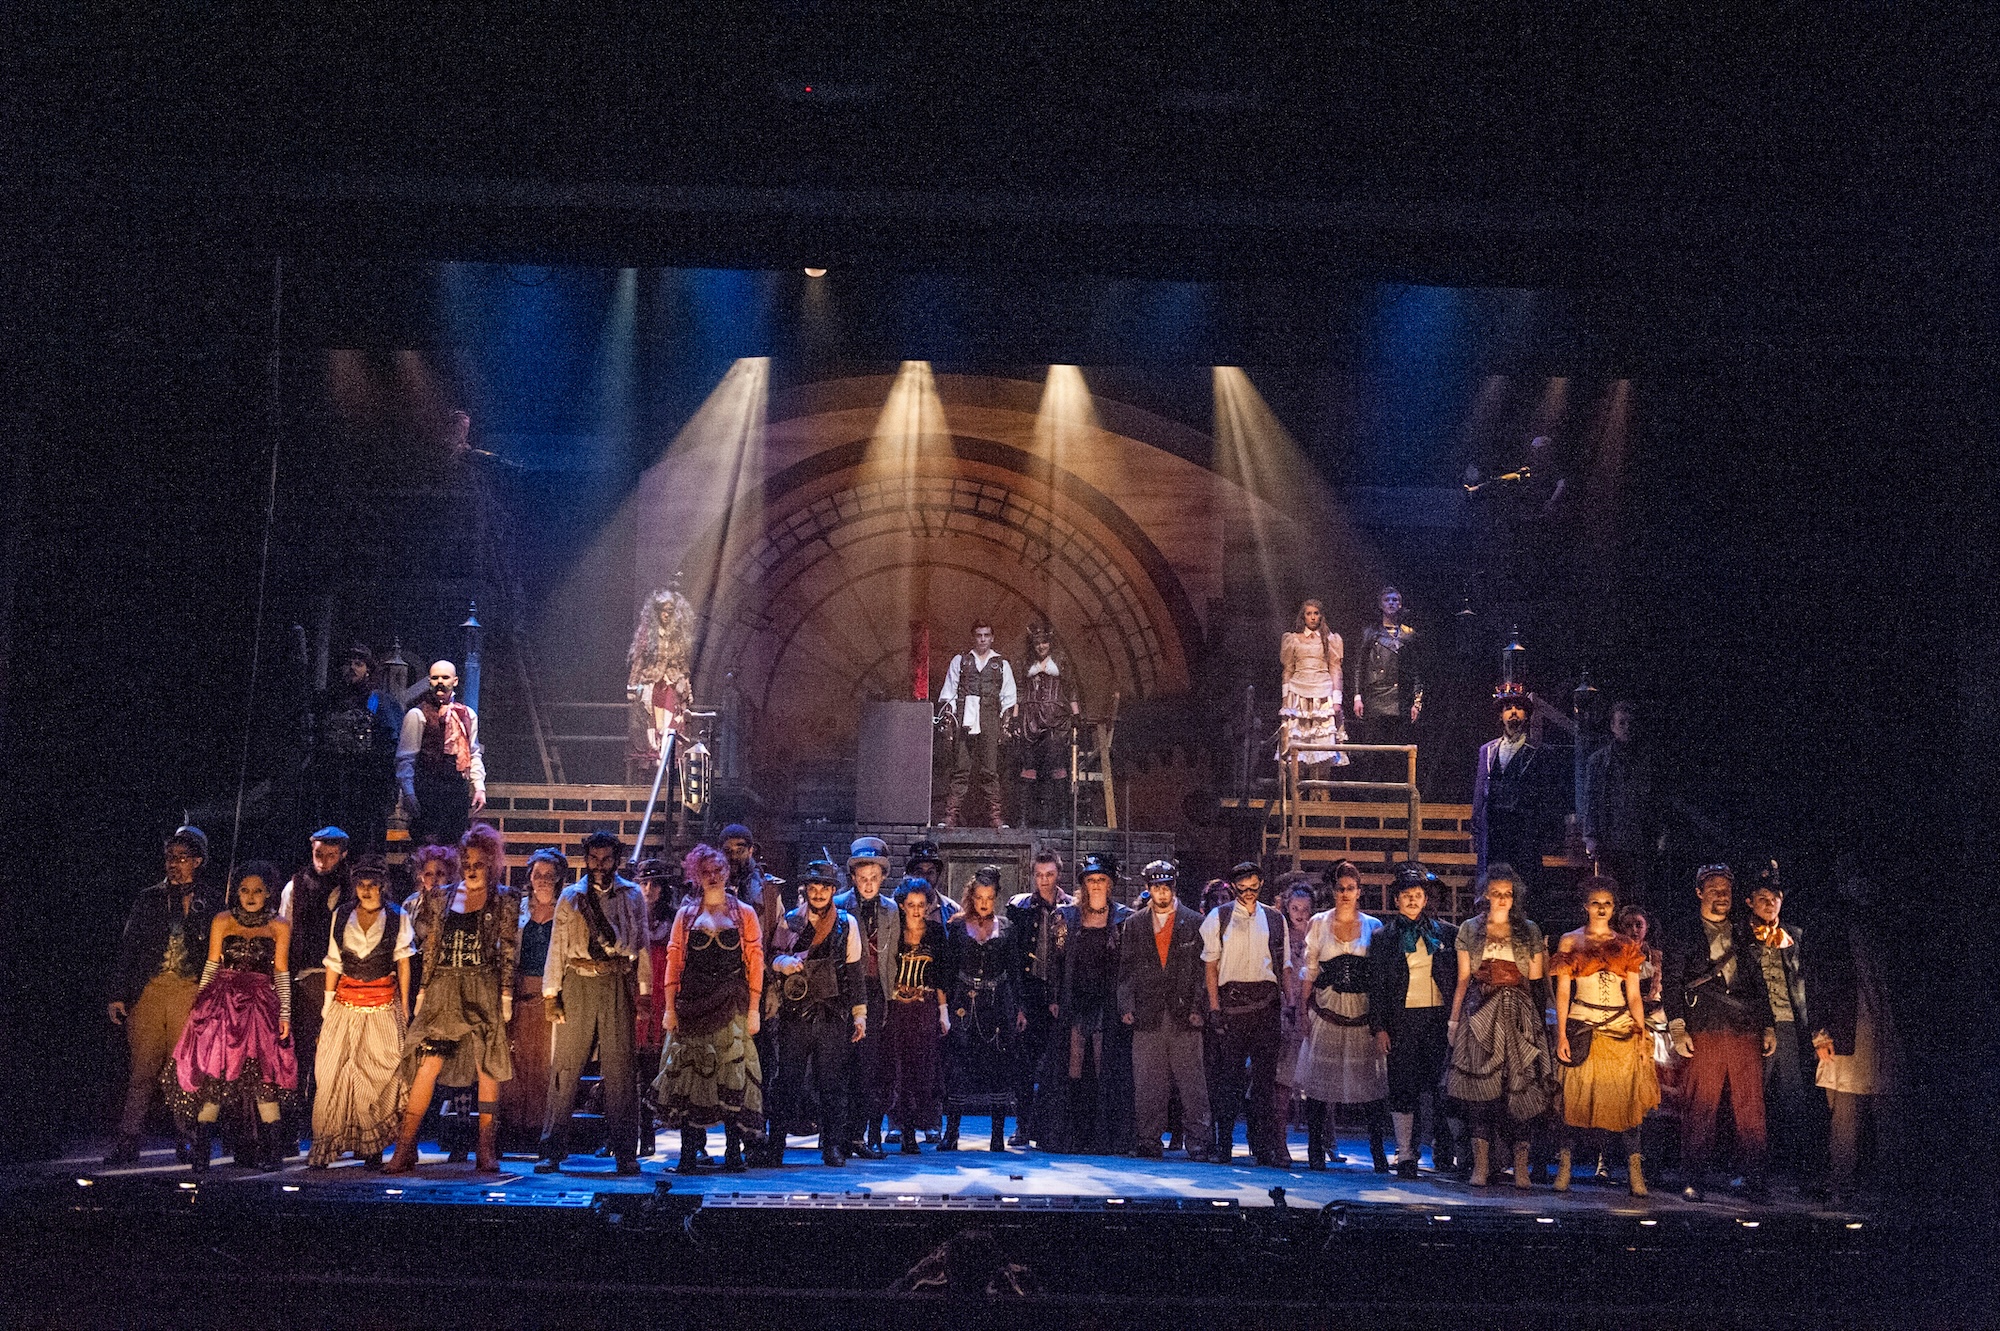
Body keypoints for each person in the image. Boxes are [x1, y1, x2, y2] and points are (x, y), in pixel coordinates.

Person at [386, 824, 521, 1174]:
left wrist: (506, 992)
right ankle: (405, 1146)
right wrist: (424, 990)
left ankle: (486, 1147)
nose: (472, 868)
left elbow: (508, 948)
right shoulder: (442, 896)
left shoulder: (504, 897)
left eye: (480, 862)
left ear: (492, 863)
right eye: (467, 861)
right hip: (445, 987)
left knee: (486, 1066)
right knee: (428, 1064)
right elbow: (431, 948)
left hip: (482, 986)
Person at [168, 862, 297, 1172]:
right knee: (215, 1076)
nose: (249, 896)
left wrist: (285, 1013)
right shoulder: (223, 920)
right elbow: (212, 964)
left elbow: (280, 971)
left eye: (257, 891)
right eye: (243, 890)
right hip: (223, 1003)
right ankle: (201, 1156)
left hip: (258, 1005)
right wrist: (199, 1004)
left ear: (268, 893)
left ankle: (273, 1154)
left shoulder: (279, 925)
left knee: (262, 1076)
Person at [537, 831, 651, 1175]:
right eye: (593, 858)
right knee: (566, 1070)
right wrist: (550, 995)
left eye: (606, 859)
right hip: (578, 982)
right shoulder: (571, 897)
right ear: (585, 859)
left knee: (620, 1071)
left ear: (616, 859)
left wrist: (644, 993)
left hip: (616, 981)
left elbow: (642, 944)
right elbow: (556, 947)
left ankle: (625, 1152)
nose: (599, 865)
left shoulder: (632, 896)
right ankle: (552, 1150)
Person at [1662, 864, 1777, 1202]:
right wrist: (1678, 1026)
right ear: (1699, 892)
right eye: (1714, 889)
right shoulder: (1685, 933)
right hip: (1705, 1027)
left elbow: (1758, 984)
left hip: (1743, 1029)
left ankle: (1755, 1180)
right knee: (1700, 1106)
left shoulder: (1743, 934)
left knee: (1751, 1109)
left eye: (1726, 890)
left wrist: (1767, 1024)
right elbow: (1671, 983)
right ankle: (1693, 1178)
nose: (1722, 895)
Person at [106, 826, 217, 1165]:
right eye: (170, 858)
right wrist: (119, 993)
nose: (175, 864)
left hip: (188, 991)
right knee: (143, 1069)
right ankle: (128, 1140)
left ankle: (188, 1139)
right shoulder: (149, 898)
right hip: (151, 990)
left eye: (183, 858)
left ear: (197, 861)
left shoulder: (210, 900)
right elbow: (129, 948)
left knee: (183, 1071)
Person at [653, 843, 765, 1174]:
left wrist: (755, 1008)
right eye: (706, 873)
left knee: (732, 1075)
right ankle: (689, 1155)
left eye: (718, 871)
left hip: (731, 1004)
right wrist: (670, 1008)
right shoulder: (685, 917)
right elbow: (674, 965)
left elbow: (755, 963)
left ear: (727, 873)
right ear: (697, 876)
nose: (714, 877)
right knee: (689, 1079)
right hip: (693, 1006)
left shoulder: (744, 914)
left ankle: (733, 1152)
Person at [1549, 876, 1659, 1196]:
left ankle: (1635, 1172)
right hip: (1583, 1023)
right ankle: (1566, 1167)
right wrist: (1561, 1036)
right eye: (1596, 903)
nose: (1601, 908)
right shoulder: (1570, 941)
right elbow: (1562, 992)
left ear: (1614, 907)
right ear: (1585, 905)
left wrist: (1641, 1033)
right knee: (1573, 1102)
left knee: (1627, 1104)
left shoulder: (1626, 944)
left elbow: (1635, 995)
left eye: (1607, 903)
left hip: (1620, 1026)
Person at [1446, 864, 1553, 1188]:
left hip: (1519, 1012)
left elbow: (1534, 978)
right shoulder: (1469, 929)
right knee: (1480, 1090)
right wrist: (1453, 1020)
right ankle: (1480, 1167)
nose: (1502, 899)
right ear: (1485, 895)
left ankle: (1520, 1168)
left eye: (1508, 894)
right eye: (1496, 894)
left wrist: (1541, 953)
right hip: (1481, 1012)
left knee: (1520, 1089)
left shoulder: (1528, 929)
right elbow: (1464, 978)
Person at [308, 854, 413, 1168]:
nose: (367, 890)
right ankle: (329, 1143)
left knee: (376, 1074)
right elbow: (333, 962)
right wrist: (327, 1007)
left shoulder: (397, 917)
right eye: (361, 884)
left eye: (373, 884)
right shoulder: (341, 915)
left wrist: (404, 1006)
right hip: (345, 1004)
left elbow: (403, 963)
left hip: (382, 1004)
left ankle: (372, 1146)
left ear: (383, 886)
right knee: (333, 1074)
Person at [1809, 857, 1903, 1204]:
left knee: (1888, 1111)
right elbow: (1816, 981)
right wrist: (1820, 1033)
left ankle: (1891, 1189)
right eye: (1854, 881)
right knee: (1845, 1113)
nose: (1862, 889)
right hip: (1847, 1030)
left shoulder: (1884, 927)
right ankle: (1840, 1186)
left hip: (1883, 1030)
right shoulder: (1831, 926)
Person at [767, 859, 867, 1167]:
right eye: (814, 887)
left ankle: (832, 1146)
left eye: (825, 887)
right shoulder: (792, 921)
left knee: (831, 1083)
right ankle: (775, 1145)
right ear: (806, 890)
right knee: (788, 1081)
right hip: (796, 1013)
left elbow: (855, 972)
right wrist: (781, 962)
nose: (819, 893)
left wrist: (859, 1014)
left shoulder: (846, 923)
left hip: (832, 1014)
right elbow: (772, 956)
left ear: (833, 890)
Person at [1295, 862, 1391, 1172]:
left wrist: (1381, 1022)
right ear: (1333, 892)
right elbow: (1309, 970)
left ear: (1359, 891)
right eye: (1340, 888)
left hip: (1362, 1010)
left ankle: (1378, 1153)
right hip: (1327, 1007)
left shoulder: (1373, 926)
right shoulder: (1319, 923)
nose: (1345, 893)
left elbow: (1378, 977)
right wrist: (1301, 1010)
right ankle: (1315, 1151)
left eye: (1351, 888)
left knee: (1371, 1086)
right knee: (1320, 1086)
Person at [1369, 862, 1460, 1179]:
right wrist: (1379, 1027)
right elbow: (1377, 985)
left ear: (1425, 899)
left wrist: (1455, 1020)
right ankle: (1406, 1153)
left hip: (1437, 1019)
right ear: (1396, 900)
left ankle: (1444, 1150)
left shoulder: (1446, 934)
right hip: (1403, 1020)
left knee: (1440, 1089)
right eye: (1406, 895)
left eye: (1417, 895)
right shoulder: (1384, 937)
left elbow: (1456, 980)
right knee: (1403, 1086)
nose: (1412, 900)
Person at [1201, 860, 1294, 1167]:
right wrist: (1214, 1007)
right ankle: (1223, 1144)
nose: (1249, 892)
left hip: (1266, 1006)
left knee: (1265, 1082)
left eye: (1254, 886)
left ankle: (1263, 1147)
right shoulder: (1220, 917)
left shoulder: (1274, 917)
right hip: (1232, 1005)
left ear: (1261, 885)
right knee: (1229, 1080)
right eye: (1243, 887)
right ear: (1235, 886)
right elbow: (1211, 965)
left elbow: (1285, 965)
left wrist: (1290, 1003)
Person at [1119, 860, 1212, 1160]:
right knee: (1148, 1082)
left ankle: (1198, 1141)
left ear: (1174, 888)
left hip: (1184, 1012)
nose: (1162, 892)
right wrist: (1126, 1004)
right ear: (1148, 889)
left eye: (1167, 887)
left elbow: (1202, 970)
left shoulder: (1195, 922)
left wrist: (1201, 1007)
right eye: (1156, 887)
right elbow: (1126, 970)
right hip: (1148, 1012)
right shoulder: (1134, 924)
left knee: (1192, 1082)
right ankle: (1149, 1140)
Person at [1041, 855, 1133, 1154]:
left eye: (1102, 880)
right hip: (1074, 1002)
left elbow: (1131, 968)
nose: (1096, 885)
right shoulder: (1065, 917)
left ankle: (1102, 1138)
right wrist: (1054, 997)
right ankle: (1072, 1136)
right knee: (1073, 1069)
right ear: (1083, 884)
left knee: (1104, 1068)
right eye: (1091, 880)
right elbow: (1054, 962)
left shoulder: (1124, 918)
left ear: (1110, 885)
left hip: (1108, 1004)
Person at [278, 825, 351, 1154]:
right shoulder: (296, 885)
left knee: (338, 1060)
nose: (323, 861)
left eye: (331, 855)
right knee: (302, 1058)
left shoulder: (352, 884)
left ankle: (336, 1132)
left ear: (343, 855)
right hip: (307, 978)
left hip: (343, 980)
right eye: (318, 854)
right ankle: (291, 1131)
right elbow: (286, 930)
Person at [1746, 865, 1821, 1184]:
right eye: (1762, 898)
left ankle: (1799, 1170)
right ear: (1750, 901)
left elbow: (1811, 984)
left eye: (1774, 897)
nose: (1769, 903)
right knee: (1752, 1097)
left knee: (1795, 1098)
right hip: (1755, 1026)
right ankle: (1752, 1169)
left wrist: (1815, 1027)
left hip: (1791, 1024)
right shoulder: (1741, 937)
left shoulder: (1796, 937)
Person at [942, 868, 1021, 1152]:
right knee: (959, 1068)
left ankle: (997, 1136)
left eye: (989, 897)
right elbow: (946, 972)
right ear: (970, 897)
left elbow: (1015, 973)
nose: (984, 903)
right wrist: (944, 1010)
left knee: (998, 1068)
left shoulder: (1007, 928)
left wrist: (1019, 1009)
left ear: (995, 898)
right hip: (963, 1002)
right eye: (979, 897)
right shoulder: (956, 927)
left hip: (997, 1004)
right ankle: (951, 1134)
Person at [879, 876, 952, 1154]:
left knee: (924, 1069)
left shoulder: (935, 932)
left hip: (924, 1009)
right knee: (897, 1069)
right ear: (902, 905)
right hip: (898, 1009)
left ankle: (926, 1123)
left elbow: (942, 974)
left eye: (922, 904)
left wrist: (944, 1013)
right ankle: (902, 1128)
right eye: (911, 904)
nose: (917, 910)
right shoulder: (893, 930)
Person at [834, 836, 896, 1158]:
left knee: (866, 1069)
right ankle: (834, 1137)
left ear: (882, 877)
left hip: (874, 993)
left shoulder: (890, 910)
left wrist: (888, 999)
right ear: (854, 878)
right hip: (844, 992)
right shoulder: (840, 904)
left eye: (874, 878)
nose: (868, 884)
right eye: (863, 878)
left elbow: (891, 958)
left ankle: (857, 1137)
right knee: (838, 1067)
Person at [1006, 850, 1071, 1146]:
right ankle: (1023, 1126)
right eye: (1039, 875)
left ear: (1058, 874)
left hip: (1060, 995)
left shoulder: (1072, 907)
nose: (1044, 881)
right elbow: (1013, 959)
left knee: (1056, 1066)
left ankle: (1049, 1128)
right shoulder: (1019, 907)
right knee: (1023, 1066)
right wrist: (1018, 1004)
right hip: (1029, 994)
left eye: (1050, 875)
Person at [305, 643, 398, 852]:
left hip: (366, 784)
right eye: (347, 663)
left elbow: (389, 744)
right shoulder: (326, 701)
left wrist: (383, 785)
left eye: (358, 663)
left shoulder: (379, 701)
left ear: (367, 669)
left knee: (365, 840)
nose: (352, 668)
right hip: (332, 782)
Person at [500, 848, 562, 1156]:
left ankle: (541, 1130)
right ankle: (514, 1127)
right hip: (519, 990)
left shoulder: (565, 911)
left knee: (544, 1065)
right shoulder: (518, 909)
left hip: (550, 994)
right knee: (516, 1062)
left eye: (549, 876)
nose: (543, 881)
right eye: (538, 875)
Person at [1472, 683, 1557, 898]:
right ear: (1501, 715)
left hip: (1523, 828)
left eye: (1518, 708)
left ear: (1526, 715)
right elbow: (1480, 789)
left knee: (1523, 882)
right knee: (1492, 881)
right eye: (1508, 708)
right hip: (1494, 828)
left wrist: (1542, 829)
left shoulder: (1538, 752)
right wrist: (1476, 826)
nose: (1513, 713)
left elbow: (1546, 794)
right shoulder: (1488, 751)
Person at [938, 621, 1020, 827]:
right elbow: (949, 692)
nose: (982, 639)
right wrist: (951, 721)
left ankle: (995, 817)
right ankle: (951, 815)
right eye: (979, 635)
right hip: (965, 718)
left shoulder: (1000, 664)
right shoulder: (962, 661)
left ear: (992, 637)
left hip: (989, 717)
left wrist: (1004, 725)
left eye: (986, 635)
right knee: (961, 768)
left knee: (990, 769)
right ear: (973, 637)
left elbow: (1009, 698)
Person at [396, 660, 487, 846]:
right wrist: (408, 792)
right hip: (428, 787)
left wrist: (479, 786)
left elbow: (473, 752)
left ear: (455, 681)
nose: (440, 681)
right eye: (435, 677)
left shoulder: (467, 714)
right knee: (426, 845)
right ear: (429, 681)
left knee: (454, 843)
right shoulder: (417, 714)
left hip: (455, 788)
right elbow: (406, 758)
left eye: (445, 677)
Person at [1583, 701, 1660, 907]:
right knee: (1611, 896)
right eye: (1622, 723)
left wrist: (1660, 833)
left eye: (1630, 723)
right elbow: (1590, 800)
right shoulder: (1598, 761)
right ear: (1612, 726)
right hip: (1610, 839)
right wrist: (1591, 836)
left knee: (1640, 898)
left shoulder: (1648, 761)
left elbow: (1657, 800)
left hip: (1640, 840)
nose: (1627, 728)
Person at [1348, 587, 1423, 784]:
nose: (1391, 603)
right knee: (1373, 750)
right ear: (1381, 604)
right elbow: (1359, 665)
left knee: (1397, 753)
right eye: (1387, 600)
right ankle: (1371, 795)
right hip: (1375, 695)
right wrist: (1357, 696)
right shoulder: (1370, 633)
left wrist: (1417, 702)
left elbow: (1417, 671)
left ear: (1400, 604)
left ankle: (1395, 796)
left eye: (1395, 599)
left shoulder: (1409, 634)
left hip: (1400, 698)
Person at [632, 857, 680, 1159]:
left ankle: (684, 1139)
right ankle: (632, 1135)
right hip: (637, 998)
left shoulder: (674, 920)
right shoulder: (629, 917)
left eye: (654, 884)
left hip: (664, 998)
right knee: (631, 1075)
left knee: (664, 1072)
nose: (648, 889)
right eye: (643, 883)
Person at [1017, 624, 1080, 828]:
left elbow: (1070, 688)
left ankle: (1061, 819)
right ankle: (1024, 820)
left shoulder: (1060, 662)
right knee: (1029, 768)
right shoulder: (1026, 663)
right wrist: (1016, 717)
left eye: (1044, 642)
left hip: (1056, 720)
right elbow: (1019, 691)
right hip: (1031, 720)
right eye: (1037, 643)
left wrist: (1076, 714)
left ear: (1050, 643)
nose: (1041, 646)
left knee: (1057, 768)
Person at [1277, 599, 1347, 784]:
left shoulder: (1330, 639)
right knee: (1297, 743)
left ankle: (1321, 793)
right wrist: (1285, 699)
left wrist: (1337, 698)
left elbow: (1335, 669)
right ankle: (1297, 792)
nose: (1313, 617)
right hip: (1298, 693)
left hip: (1322, 693)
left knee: (1321, 743)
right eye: (1309, 613)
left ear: (1321, 616)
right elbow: (1288, 670)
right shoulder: (1293, 639)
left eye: (1316, 613)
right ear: (1303, 616)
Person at [1274, 872, 1317, 1141]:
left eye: (1305, 909)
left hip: (1314, 1009)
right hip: (1287, 1009)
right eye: (1295, 908)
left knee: (1318, 1079)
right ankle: (1279, 1137)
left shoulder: (1319, 932)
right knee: (1284, 1078)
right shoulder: (1282, 935)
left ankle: (1325, 1138)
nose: (1300, 914)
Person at [904, 840, 963, 925]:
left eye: (930, 872)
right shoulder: (896, 909)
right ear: (911, 874)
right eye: (920, 872)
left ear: (937, 874)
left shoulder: (952, 910)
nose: (925, 877)